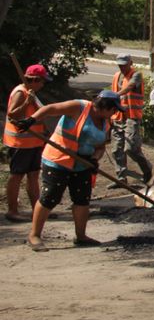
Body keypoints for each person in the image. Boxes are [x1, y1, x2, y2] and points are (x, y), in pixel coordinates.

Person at [18, 89, 123, 251]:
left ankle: (80, 236)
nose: (115, 112)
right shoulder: (79, 107)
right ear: (104, 106)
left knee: (82, 198)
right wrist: (31, 120)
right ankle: (34, 235)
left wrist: (94, 159)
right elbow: (50, 109)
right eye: (114, 109)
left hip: (82, 164)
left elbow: (101, 147)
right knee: (50, 196)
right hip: (58, 160)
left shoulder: (106, 122)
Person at [4, 63, 48, 223]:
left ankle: (37, 209)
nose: (43, 85)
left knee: (33, 175)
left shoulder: (31, 92)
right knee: (17, 176)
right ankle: (12, 211)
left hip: (34, 141)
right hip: (20, 143)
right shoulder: (21, 93)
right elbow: (12, 114)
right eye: (42, 81)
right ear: (35, 80)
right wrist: (26, 102)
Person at [108, 54, 153, 187]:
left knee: (131, 148)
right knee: (117, 149)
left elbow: (129, 87)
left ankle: (147, 169)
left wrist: (114, 95)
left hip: (132, 117)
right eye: (120, 65)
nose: (122, 67)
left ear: (130, 63)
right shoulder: (116, 76)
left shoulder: (136, 75)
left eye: (124, 64)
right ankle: (121, 179)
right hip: (118, 117)